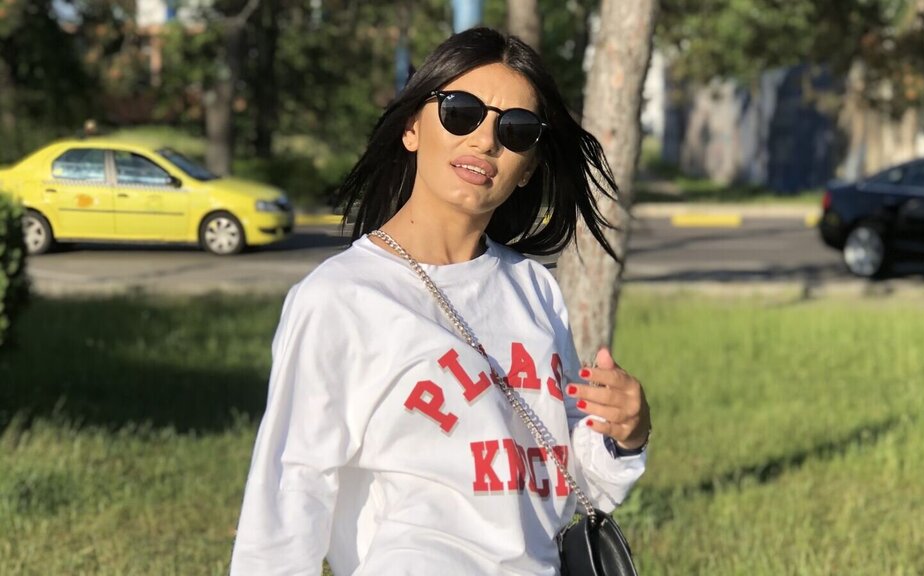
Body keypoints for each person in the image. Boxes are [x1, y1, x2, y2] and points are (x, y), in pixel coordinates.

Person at [230, 27, 651, 575]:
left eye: (516, 129)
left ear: (529, 167)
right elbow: (290, 490)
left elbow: (571, 477)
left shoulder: (534, 289)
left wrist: (624, 433)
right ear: (412, 127)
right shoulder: (341, 298)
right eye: (460, 112)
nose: (485, 140)